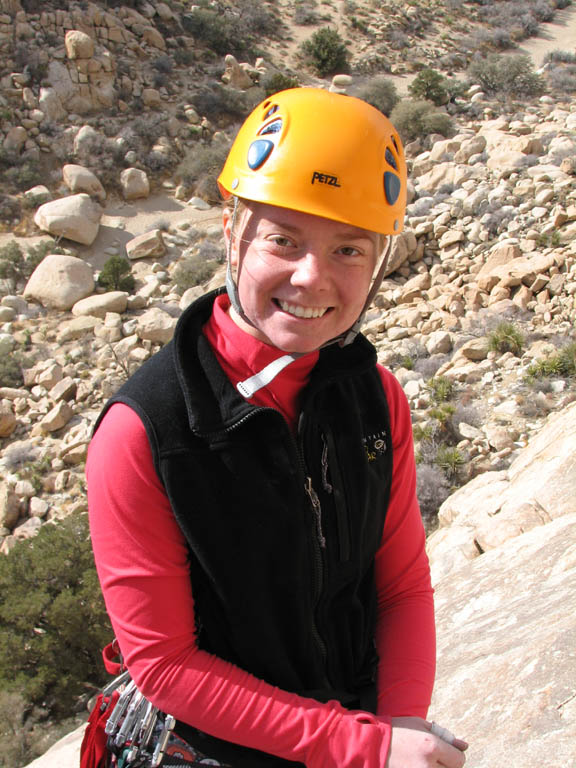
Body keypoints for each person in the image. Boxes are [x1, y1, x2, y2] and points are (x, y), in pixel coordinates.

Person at [87, 87, 468, 768]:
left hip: (348, 729)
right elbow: (166, 665)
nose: (311, 278)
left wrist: (400, 721)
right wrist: (366, 746)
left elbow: (402, 584)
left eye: (349, 250)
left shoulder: (375, 400)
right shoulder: (147, 432)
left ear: (380, 260)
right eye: (284, 239)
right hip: (211, 745)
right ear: (231, 232)